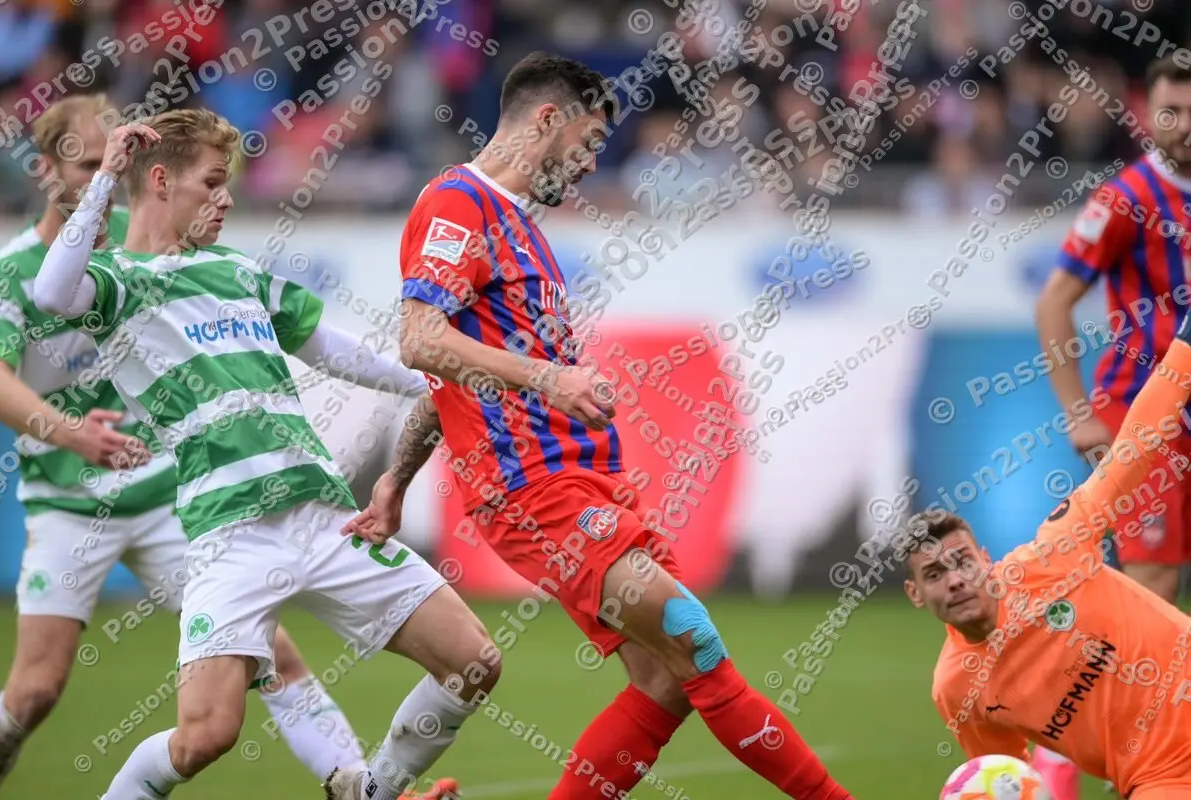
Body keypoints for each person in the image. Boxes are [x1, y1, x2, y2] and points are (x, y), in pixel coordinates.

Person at [344, 51, 853, 800]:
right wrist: (552, 377)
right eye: (586, 144)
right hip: (533, 489)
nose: (588, 166)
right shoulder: (458, 204)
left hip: (591, 483)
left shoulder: (523, 231)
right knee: (693, 637)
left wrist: (396, 477)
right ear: (546, 119)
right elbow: (420, 340)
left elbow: (447, 377)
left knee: (667, 679)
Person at [32, 108, 492, 800]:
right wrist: (104, 176)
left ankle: (372, 791)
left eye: (229, 185)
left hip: (325, 517)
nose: (226, 198)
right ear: (158, 180)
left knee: (474, 661)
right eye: (212, 183)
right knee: (205, 737)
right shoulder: (117, 282)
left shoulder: (236, 270)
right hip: (230, 538)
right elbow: (50, 291)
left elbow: (333, 349)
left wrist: (441, 380)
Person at [0, 94, 369, 795]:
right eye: (95, 163)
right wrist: (69, 432)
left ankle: (357, 780)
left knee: (272, 655)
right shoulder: (18, 274)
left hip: (170, 493)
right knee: (35, 692)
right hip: (69, 503)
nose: (114, 172)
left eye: (124, 156)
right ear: (47, 171)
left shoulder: (155, 253)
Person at [905, 308, 1191, 800]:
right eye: (934, 573)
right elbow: (1006, 778)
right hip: (1164, 780)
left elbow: (1132, 450)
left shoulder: (1054, 554)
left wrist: (1185, 347)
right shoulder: (957, 690)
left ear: (986, 558)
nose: (954, 580)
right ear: (915, 594)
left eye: (962, 562)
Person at [1034, 53, 1191, 800]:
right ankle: (1087, 769)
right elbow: (1053, 302)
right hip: (1147, 423)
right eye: (1171, 111)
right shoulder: (1128, 197)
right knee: (1149, 598)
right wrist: (1077, 414)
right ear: (1149, 114)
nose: (1183, 125)